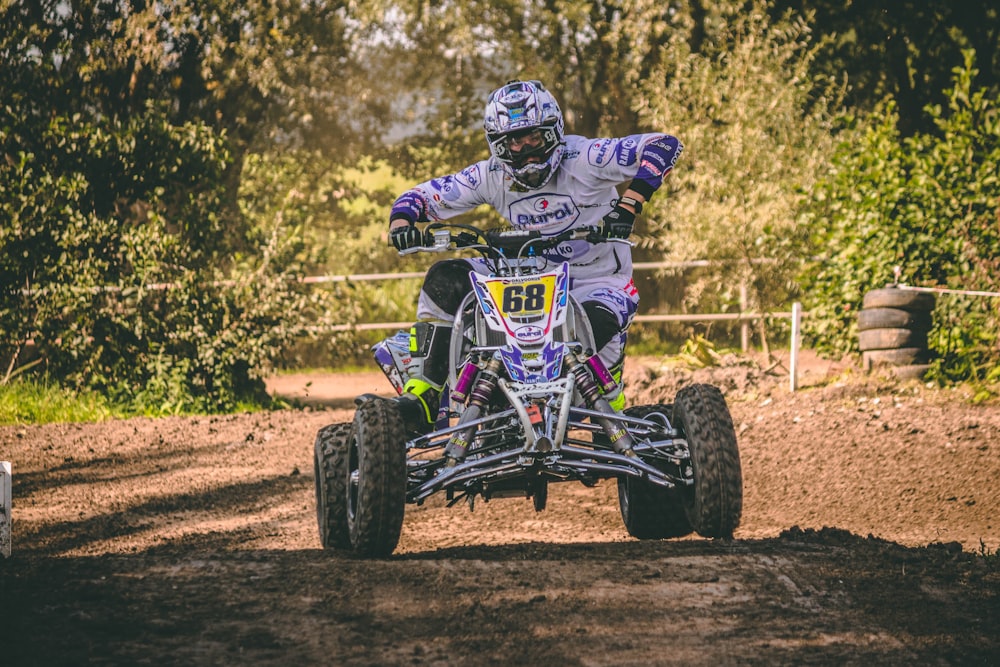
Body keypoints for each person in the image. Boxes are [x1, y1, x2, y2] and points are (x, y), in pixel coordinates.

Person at [387, 79, 682, 429]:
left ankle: (606, 394)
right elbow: (419, 197)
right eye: (513, 141)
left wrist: (629, 206)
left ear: (554, 131)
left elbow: (664, 144)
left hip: (596, 282)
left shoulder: (586, 157)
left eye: (534, 138)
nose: (525, 150)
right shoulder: (491, 175)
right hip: (525, 278)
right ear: (497, 145)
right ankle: (423, 394)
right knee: (445, 278)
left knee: (586, 334)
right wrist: (400, 223)